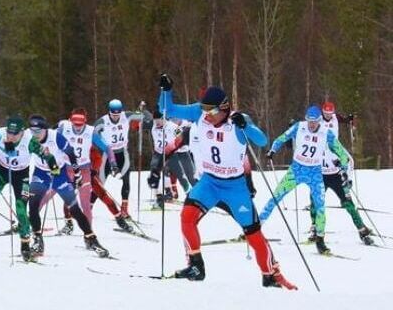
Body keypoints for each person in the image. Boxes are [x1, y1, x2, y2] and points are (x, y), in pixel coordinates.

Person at [159, 75, 295, 289]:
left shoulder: (237, 121)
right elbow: (168, 109)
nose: (207, 115)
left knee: (254, 235)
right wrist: (166, 90)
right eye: (204, 110)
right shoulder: (199, 113)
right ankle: (196, 265)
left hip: (235, 187)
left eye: (211, 111)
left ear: (224, 108)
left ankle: (270, 275)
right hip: (210, 183)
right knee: (186, 217)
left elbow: (261, 140)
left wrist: (246, 127)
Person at [260, 106, 352, 255]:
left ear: (319, 121)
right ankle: (256, 227)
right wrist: (272, 150)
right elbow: (282, 138)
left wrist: (343, 163)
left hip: (315, 173)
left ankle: (320, 240)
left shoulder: (326, 133)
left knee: (320, 205)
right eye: (309, 121)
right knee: (276, 196)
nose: (311, 124)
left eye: (314, 122)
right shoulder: (299, 126)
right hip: (296, 170)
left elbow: (340, 150)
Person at [27, 115, 110, 258]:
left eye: (38, 131)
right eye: (32, 131)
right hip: (41, 173)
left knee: (74, 208)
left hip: (60, 174)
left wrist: (77, 173)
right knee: (33, 205)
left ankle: (91, 239)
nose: (35, 135)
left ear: (45, 130)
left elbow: (71, 154)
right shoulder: (30, 138)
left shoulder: (56, 137)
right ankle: (38, 240)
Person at [310, 102, 372, 245]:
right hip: (321, 175)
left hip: (335, 175)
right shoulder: (317, 125)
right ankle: (314, 229)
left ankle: (362, 230)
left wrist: (348, 119)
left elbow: (340, 118)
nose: (328, 116)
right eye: (326, 113)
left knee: (348, 202)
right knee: (314, 201)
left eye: (330, 114)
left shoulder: (335, 119)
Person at [0, 117, 35, 260]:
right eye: (9, 133)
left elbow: (45, 154)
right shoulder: (0, 134)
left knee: (21, 209)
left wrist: (53, 166)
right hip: (0, 171)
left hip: (21, 174)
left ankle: (25, 246)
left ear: (22, 132)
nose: (11, 136)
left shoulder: (30, 139)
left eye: (15, 134)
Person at [56, 108, 116, 231]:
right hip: (69, 169)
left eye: (80, 123)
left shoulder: (89, 133)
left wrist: (95, 169)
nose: (77, 127)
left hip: (87, 171)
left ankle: (118, 217)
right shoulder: (65, 129)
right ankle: (68, 224)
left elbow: (98, 155)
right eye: (73, 122)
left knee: (100, 194)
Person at [94, 99, 142, 217]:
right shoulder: (102, 121)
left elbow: (142, 116)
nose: (116, 117)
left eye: (118, 114)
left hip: (122, 153)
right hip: (107, 155)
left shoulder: (126, 116)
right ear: (109, 112)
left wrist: (141, 116)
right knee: (100, 183)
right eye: (113, 114)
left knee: (126, 180)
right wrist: (102, 144)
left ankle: (124, 209)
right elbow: (92, 134)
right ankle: (89, 206)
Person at [149, 112, 198, 208]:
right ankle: (160, 198)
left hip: (180, 152)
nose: (157, 123)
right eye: (155, 121)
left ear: (164, 119)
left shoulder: (173, 127)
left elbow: (183, 138)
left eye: (159, 121)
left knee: (187, 175)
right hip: (161, 153)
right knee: (156, 174)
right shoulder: (154, 128)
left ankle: (196, 197)